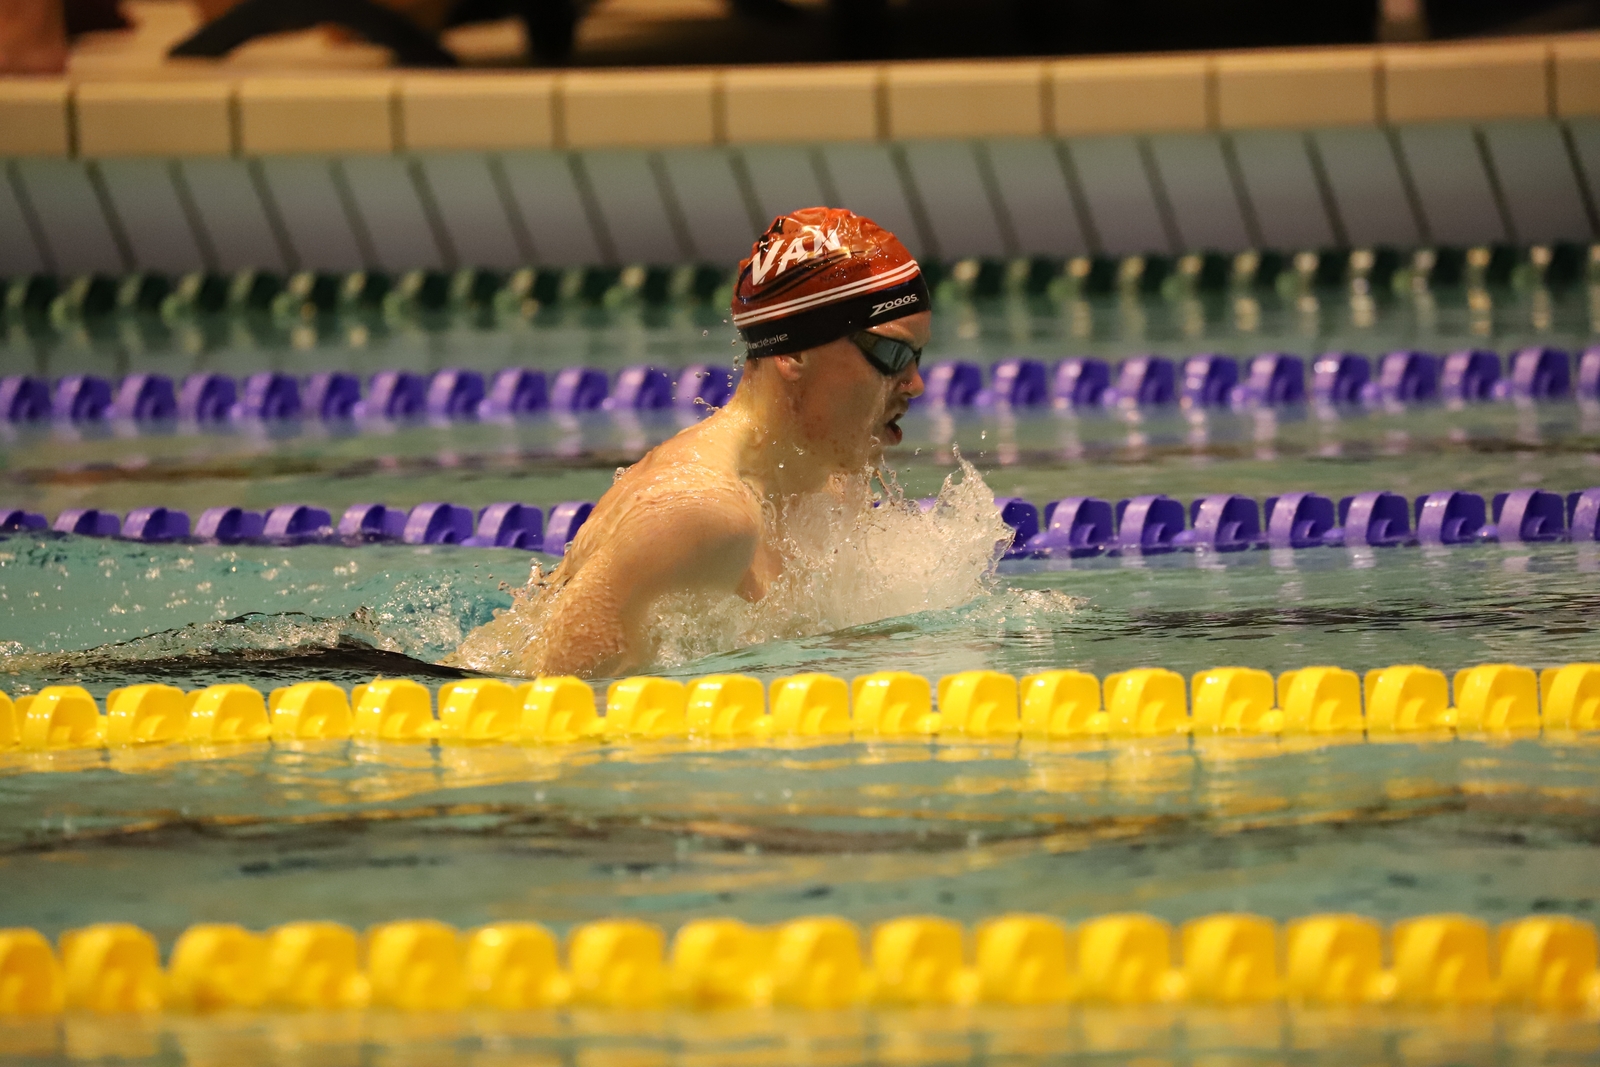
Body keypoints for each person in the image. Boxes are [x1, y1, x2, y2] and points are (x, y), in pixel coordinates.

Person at [453, 206, 929, 679]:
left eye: (918, 356)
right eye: (890, 353)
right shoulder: (699, 514)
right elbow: (550, 703)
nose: (915, 384)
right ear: (795, 351)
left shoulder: (833, 484)